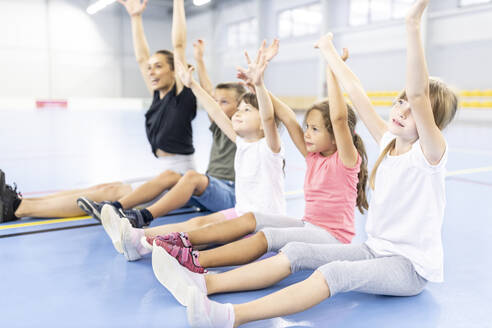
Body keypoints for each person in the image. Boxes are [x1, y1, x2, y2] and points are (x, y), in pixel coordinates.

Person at [155, 1, 458, 327]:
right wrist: (328, 53)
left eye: (413, 109)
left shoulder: (430, 155)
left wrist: (411, 24)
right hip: (374, 249)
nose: (402, 109)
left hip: (408, 267)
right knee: (297, 252)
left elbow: (415, 96)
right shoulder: (387, 141)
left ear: (431, 123)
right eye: (399, 102)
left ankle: (230, 316)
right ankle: (206, 282)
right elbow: (355, 91)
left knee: (334, 272)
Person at [149, 44, 369, 287]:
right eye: (307, 127)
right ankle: (180, 240)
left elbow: (339, 119)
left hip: (333, 238)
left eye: (314, 129)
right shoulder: (312, 155)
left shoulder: (347, 160)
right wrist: (258, 84)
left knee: (268, 237)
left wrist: (332, 68)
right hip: (310, 225)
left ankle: (195, 259)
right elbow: (284, 114)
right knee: (252, 218)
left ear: (338, 135)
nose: (306, 133)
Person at [99, 42, 287, 261]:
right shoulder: (242, 143)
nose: (237, 113)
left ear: (263, 124)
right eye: (239, 109)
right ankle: (137, 239)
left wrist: (259, 85)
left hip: (263, 225)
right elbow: (216, 112)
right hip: (241, 213)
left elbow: (269, 116)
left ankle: (153, 245)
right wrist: (193, 85)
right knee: (197, 223)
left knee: (206, 234)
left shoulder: (271, 148)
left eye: (246, 110)